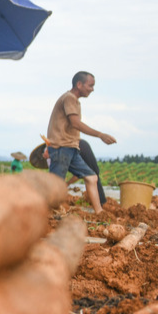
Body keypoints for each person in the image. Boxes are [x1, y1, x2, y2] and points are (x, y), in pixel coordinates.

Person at [45, 71, 116, 213]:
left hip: (71, 147)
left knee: (91, 177)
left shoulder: (74, 100)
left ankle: (99, 212)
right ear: (79, 84)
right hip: (61, 148)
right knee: (55, 186)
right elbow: (76, 123)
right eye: (90, 85)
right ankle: (40, 213)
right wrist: (100, 135)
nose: (92, 89)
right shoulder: (69, 98)